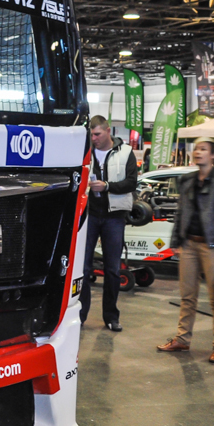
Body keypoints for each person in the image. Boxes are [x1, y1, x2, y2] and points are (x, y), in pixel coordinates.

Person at [157, 137, 214, 363]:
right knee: (187, 296)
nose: (198, 152)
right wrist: (176, 241)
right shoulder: (187, 179)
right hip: (189, 245)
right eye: (196, 149)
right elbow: (180, 212)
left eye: (203, 149)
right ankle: (182, 339)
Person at [80, 116, 138, 331]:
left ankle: (111, 317)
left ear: (107, 131)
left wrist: (106, 186)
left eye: (97, 134)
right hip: (89, 216)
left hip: (114, 216)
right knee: (83, 269)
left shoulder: (126, 152)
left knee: (112, 269)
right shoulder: (85, 153)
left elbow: (131, 183)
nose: (94, 138)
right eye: (91, 134)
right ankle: (80, 316)